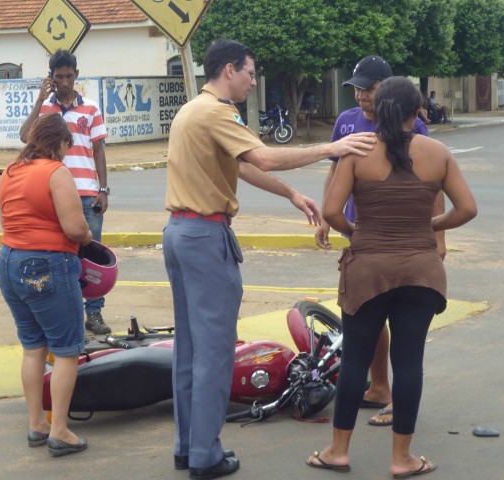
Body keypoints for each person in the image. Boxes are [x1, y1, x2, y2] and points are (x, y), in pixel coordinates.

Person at [162, 38, 377, 480]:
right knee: (216, 353)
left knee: (189, 349)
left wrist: (292, 194)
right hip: (205, 236)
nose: (253, 80)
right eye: (249, 72)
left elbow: (241, 165)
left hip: (180, 232)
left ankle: (188, 445)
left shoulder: (191, 110)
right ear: (227, 71)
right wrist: (331, 149)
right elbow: (262, 156)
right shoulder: (219, 111)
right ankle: (205, 456)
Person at [305, 76, 477, 477]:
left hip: (368, 270)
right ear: (417, 110)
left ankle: (338, 452)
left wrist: (356, 233)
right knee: (409, 360)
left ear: (379, 110)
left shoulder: (358, 152)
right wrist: (430, 223)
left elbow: (332, 212)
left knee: (355, 363)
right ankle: (402, 459)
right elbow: (467, 208)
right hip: (421, 269)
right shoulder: (438, 153)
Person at [315, 55, 445, 429]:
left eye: (368, 89)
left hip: (399, 239)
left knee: (389, 321)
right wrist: (328, 219)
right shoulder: (346, 123)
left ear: (386, 91)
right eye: (356, 89)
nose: (361, 96)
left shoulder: (414, 126)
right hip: (363, 236)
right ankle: (380, 388)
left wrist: (437, 234)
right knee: (372, 315)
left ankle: (383, 392)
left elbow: (432, 186)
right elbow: (333, 174)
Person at [0, 114, 93, 456]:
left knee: (33, 345)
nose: (68, 153)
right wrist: (89, 235)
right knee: (67, 350)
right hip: (46, 264)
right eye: (67, 145)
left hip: (9, 262)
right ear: (59, 142)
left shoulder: (11, 171)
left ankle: (36, 422)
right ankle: (60, 430)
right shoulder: (56, 172)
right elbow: (75, 228)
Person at [20, 49, 111, 336]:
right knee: (59, 253)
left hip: (86, 192)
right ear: (51, 77)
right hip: (52, 192)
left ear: (76, 76)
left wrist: (103, 189)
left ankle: (94, 314)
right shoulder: (45, 109)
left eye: (68, 76)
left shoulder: (91, 109)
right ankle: (66, 310)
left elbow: (99, 151)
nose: (64, 82)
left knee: (91, 254)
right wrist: (39, 100)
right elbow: (25, 137)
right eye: (58, 77)